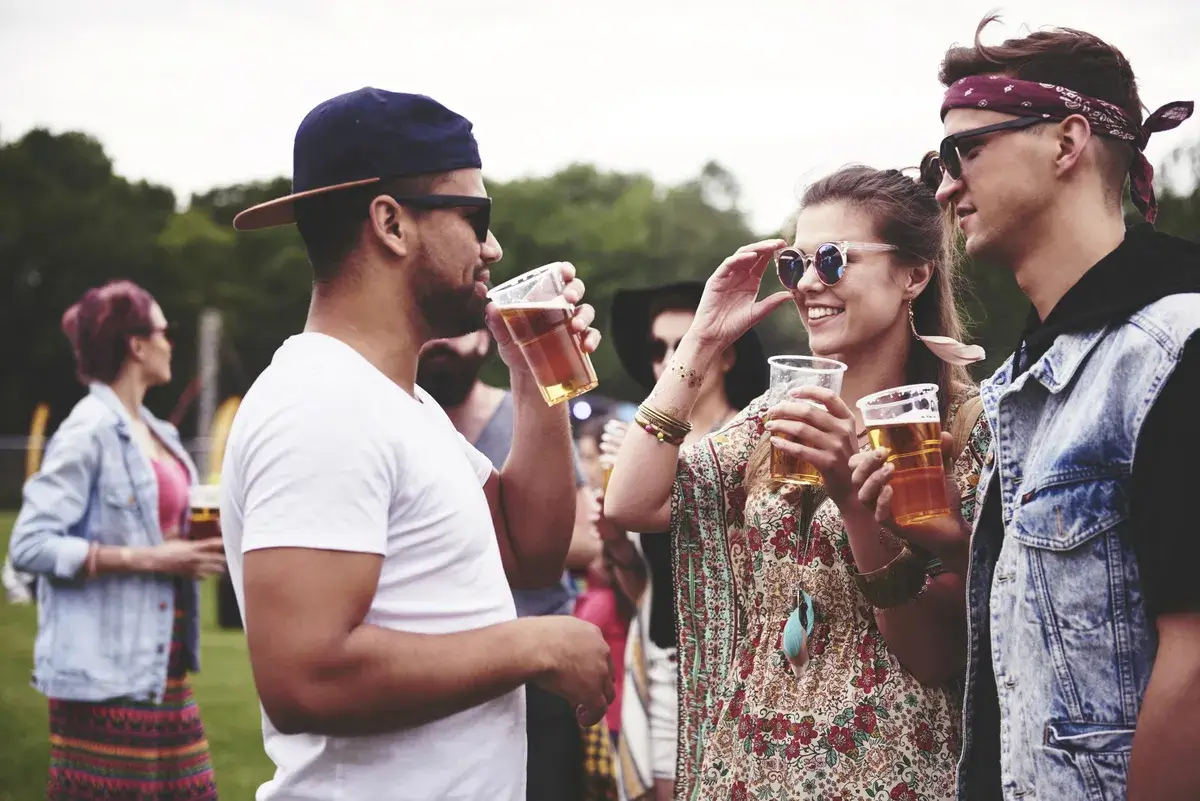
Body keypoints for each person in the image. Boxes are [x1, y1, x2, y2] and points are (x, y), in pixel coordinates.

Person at [221, 88, 614, 801]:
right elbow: (303, 678)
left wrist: (536, 372)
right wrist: (537, 643)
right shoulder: (322, 404)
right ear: (391, 223)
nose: (492, 246)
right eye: (476, 216)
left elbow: (531, 548)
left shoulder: (405, 403)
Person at [604, 165, 991, 800]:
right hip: (748, 774)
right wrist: (701, 339)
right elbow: (631, 501)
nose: (810, 284)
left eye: (834, 260)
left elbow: (936, 657)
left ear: (914, 275)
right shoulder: (775, 414)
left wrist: (853, 499)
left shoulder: (955, 428)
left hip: (886, 776)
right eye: (795, 265)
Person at [927, 16, 1199, 801]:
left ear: (1066, 141)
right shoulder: (1026, 377)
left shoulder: (1176, 346)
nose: (944, 185)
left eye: (963, 150)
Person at [9, 280, 224, 801]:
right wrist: (152, 559)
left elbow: (157, 529)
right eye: (163, 331)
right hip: (104, 675)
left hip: (161, 666)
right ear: (136, 344)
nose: (171, 343)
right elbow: (29, 545)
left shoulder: (159, 433)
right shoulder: (88, 431)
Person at [416, 328, 602, 798]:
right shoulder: (406, 415)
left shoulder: (518, 411)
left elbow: (572, 542)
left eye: (458, 332)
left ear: (484, 337)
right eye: (437, 333)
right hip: (432, 669)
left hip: (541, 669)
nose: (445, 344)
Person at [601, 281, 767, 801]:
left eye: (684, 343)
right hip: (660, 657)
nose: (670, 359)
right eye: (658, 349)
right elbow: (638, 587)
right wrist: (613, 534)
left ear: (727, 352)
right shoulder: (639, 452)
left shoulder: (751, 438)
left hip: (733, 659)